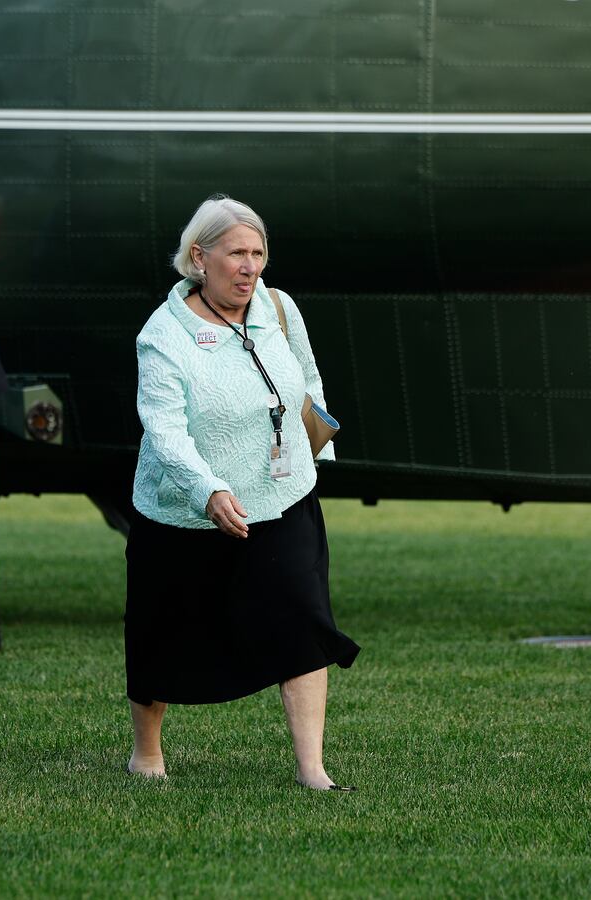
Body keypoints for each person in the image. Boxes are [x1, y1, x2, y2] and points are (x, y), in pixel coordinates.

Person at [125, 195, 359, 790]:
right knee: (162, 631)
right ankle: (147, 752)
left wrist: (314, 453)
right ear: (199, 258)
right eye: (236, 254)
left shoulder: (279, 309)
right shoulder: (164, 334)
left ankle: (313, 769)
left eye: (258, 253)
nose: (249, 266)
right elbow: (164, 427)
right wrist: (207, 490)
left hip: (283, 496)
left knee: (304, 619)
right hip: (185, 511)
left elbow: (307, 379)